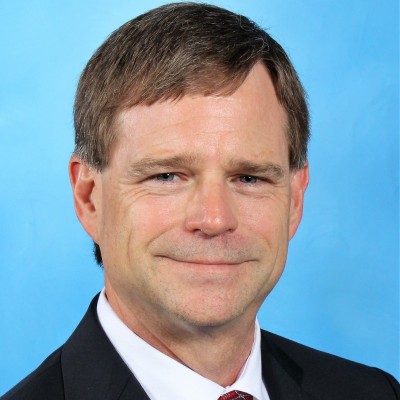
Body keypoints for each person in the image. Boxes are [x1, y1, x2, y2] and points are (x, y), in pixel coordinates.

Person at [2, 2, 399, 400]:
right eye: (167, 176)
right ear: (89, 198)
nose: (214, 219)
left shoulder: (373, 393)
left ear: (295, 200)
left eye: (249, 178)